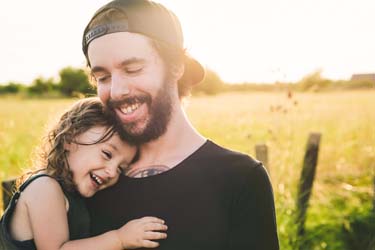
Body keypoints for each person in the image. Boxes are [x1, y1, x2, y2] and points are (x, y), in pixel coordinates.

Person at [83, 0, 279, 249]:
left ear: (176, 66)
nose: (117, 90)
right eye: (103, 77)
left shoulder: (240, 179)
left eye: (133, 69)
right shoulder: (91, 176)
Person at [0, 98, 168, 250]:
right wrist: (120, 239)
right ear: (69, 138)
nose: (111, 172)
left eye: (120, 169)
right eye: (107, 154)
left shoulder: (72, 194)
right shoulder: (45, 189)